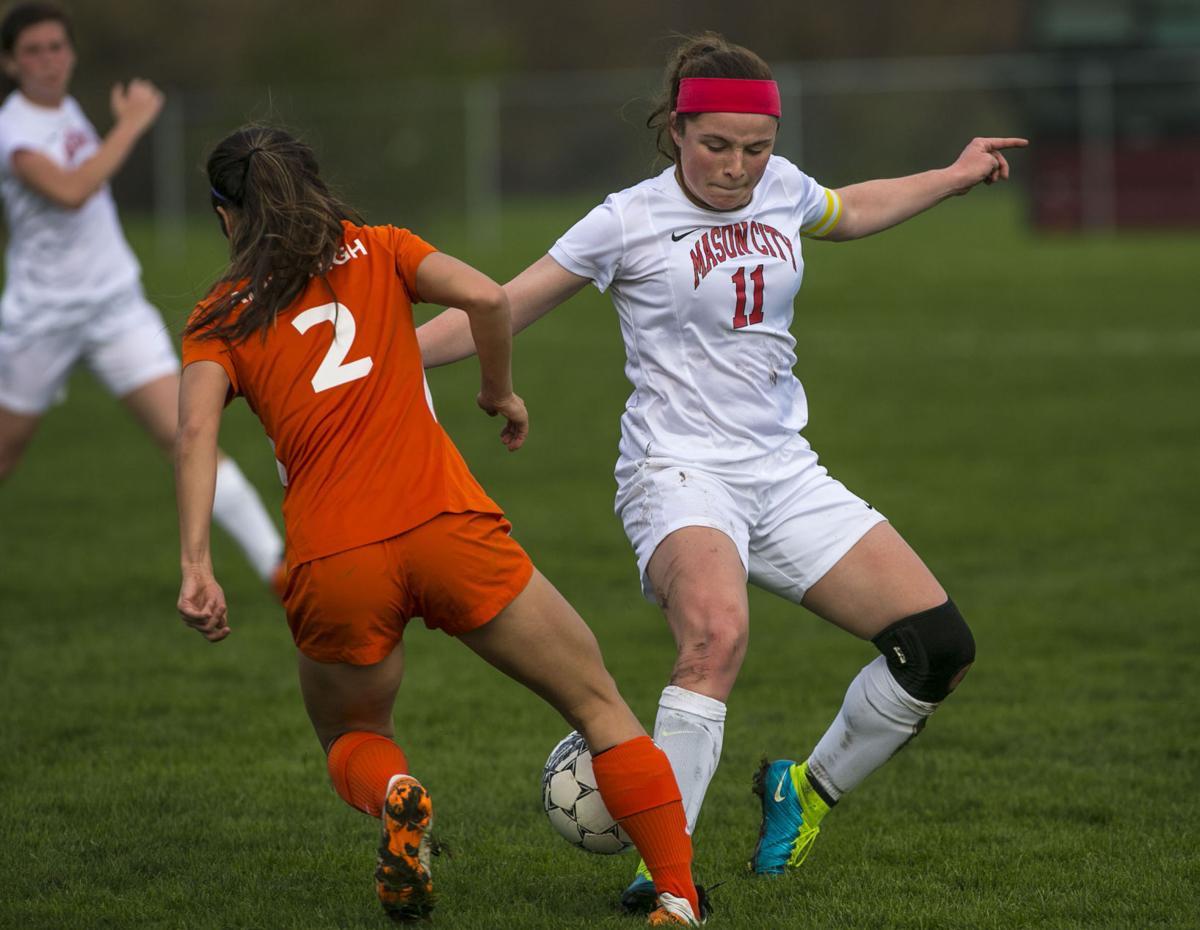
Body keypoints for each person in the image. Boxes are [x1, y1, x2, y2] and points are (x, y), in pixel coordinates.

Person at [416, 32, 1027, 908]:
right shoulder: (625, 218)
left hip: (783, 471)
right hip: (677, 470)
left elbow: (849, 208)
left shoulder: (781, 190)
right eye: (717, 146)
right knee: (716, 638)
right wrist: (380, 357)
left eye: (756, 148)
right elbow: (503, 305)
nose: (738, 168)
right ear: (675, 129)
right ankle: (666, 879)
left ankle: (804, 791)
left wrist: (953, 173)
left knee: (939, 649)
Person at [175, 124, 708, 927]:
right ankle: (677, 895)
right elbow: (489, 297)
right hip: (445, 526)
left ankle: (396, 795)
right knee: (598, 702)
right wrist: (498, 390)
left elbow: (193, 436)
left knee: (353, 730)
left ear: (226, 217)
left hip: (334, 554)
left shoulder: (218, 315)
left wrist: (197, 565)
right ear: (318, 185)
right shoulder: (380, 247)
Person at [0, 1, 284, 592]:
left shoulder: (66, 110)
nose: (48, 60)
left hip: (113, 307)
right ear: (10, 62)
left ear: (71, 53)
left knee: (186, 433)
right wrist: (129, 122)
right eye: (33, 50)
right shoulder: (13, 130)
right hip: (40, 317)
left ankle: (276, 565)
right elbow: (73, 190)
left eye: (57, 47)